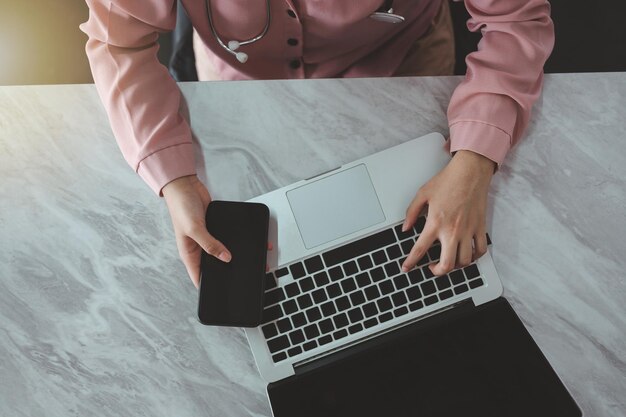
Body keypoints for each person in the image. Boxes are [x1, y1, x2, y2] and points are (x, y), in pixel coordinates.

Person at [80, 0, 554, 289]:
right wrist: (174, 180)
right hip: (241, 78)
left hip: (404, 62)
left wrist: (475, 159)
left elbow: (516, 21)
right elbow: (118, 44)